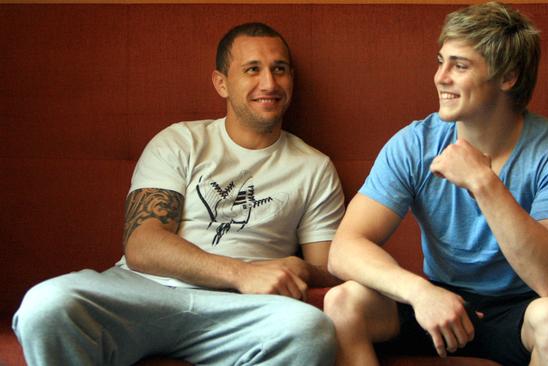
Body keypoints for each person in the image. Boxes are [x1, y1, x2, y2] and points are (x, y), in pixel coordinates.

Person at [13, 22, 345, 366]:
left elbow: (329, 268)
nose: (269, 84)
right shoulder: (180, 141)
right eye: (252, 70)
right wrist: (242, 273)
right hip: (143, 292)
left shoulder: (314, 167)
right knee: (46, 303)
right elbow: (143, 244)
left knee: (308, 328)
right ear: (221, 83)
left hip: (239, 311)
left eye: (279, 70)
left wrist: (300, 269)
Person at [324, 2, 548, 366]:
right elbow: (343, 249)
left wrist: (482, 181)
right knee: (342, 302)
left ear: (508, 77)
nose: (440, 76)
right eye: (440, 61)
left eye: (460, 65)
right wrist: (420, 293)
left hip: (522, 309)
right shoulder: (416, 143)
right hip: (440, 302)